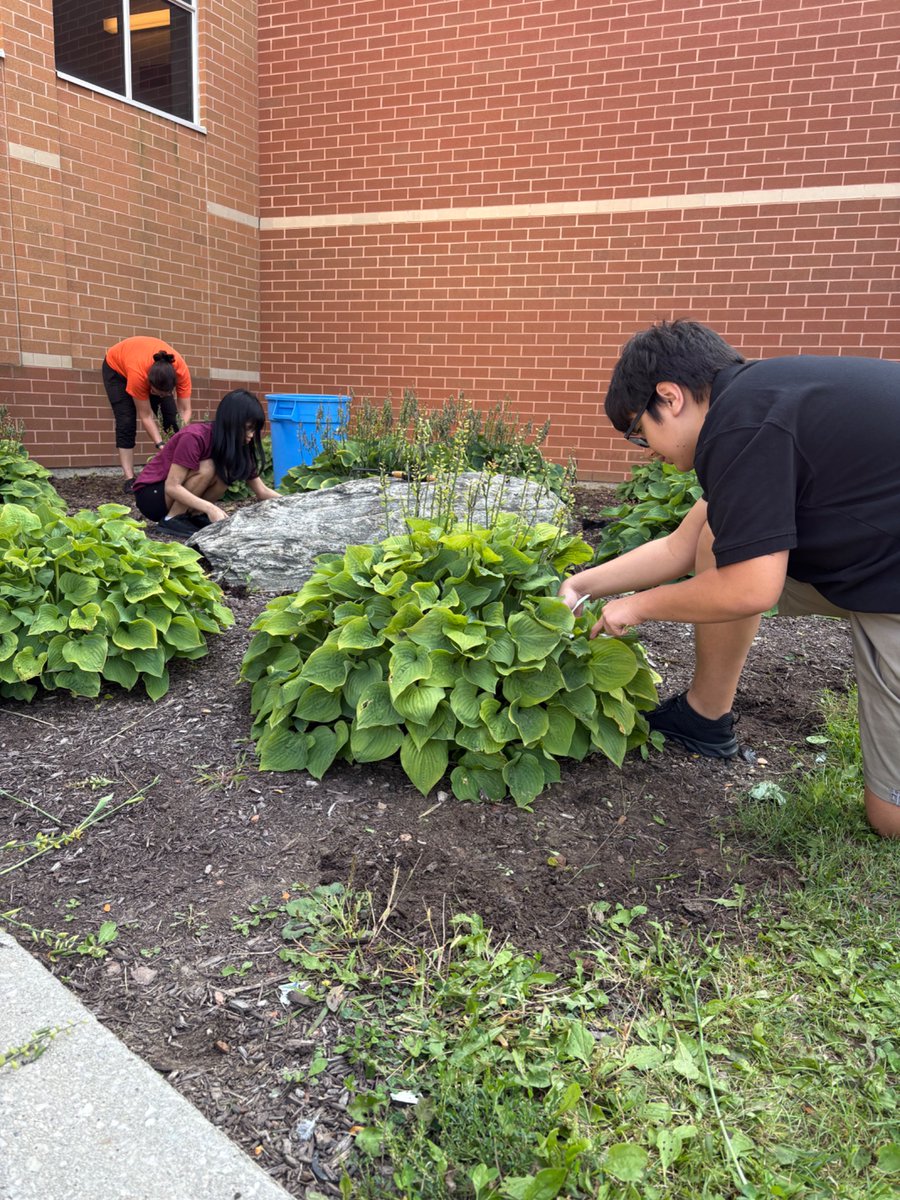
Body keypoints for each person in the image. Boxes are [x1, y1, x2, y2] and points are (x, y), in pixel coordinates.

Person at [559, 319, 900, 838]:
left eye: (638, 432)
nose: (646, 449)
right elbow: (681, 547)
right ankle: (704, 717)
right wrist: (582, 585)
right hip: (877, 548)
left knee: (891, 820)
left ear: (668, 397)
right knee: (718, 538)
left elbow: (750, 589)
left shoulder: (743, 424)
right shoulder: (757, 402)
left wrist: (637, 606)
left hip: (887, 577)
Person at [132, 389, 279, 538]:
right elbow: (172, 486)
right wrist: (210, 508)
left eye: (254, 430)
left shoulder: (238, 446)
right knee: (209, 466)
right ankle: (173, 518)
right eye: (248, 429)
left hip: (171, 495)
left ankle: (195, 516)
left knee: (226, 470)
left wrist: (292, 502)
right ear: (232, 423)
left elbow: (262, 491)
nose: (251, 435)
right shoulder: (194, 437)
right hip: (151, 495)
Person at [102, 336, 193, 491]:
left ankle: (179, 472)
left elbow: (185, 410)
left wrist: (181, 438)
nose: (156, 396)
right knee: (126, 420)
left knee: (171, 418)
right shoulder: (139, 376)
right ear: (149, 384)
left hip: (143, 364)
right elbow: (146, 415)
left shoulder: (181, 372)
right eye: (154, 392)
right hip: (116, 369)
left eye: (163, 394)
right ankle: (129, 479)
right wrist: (161, 444)